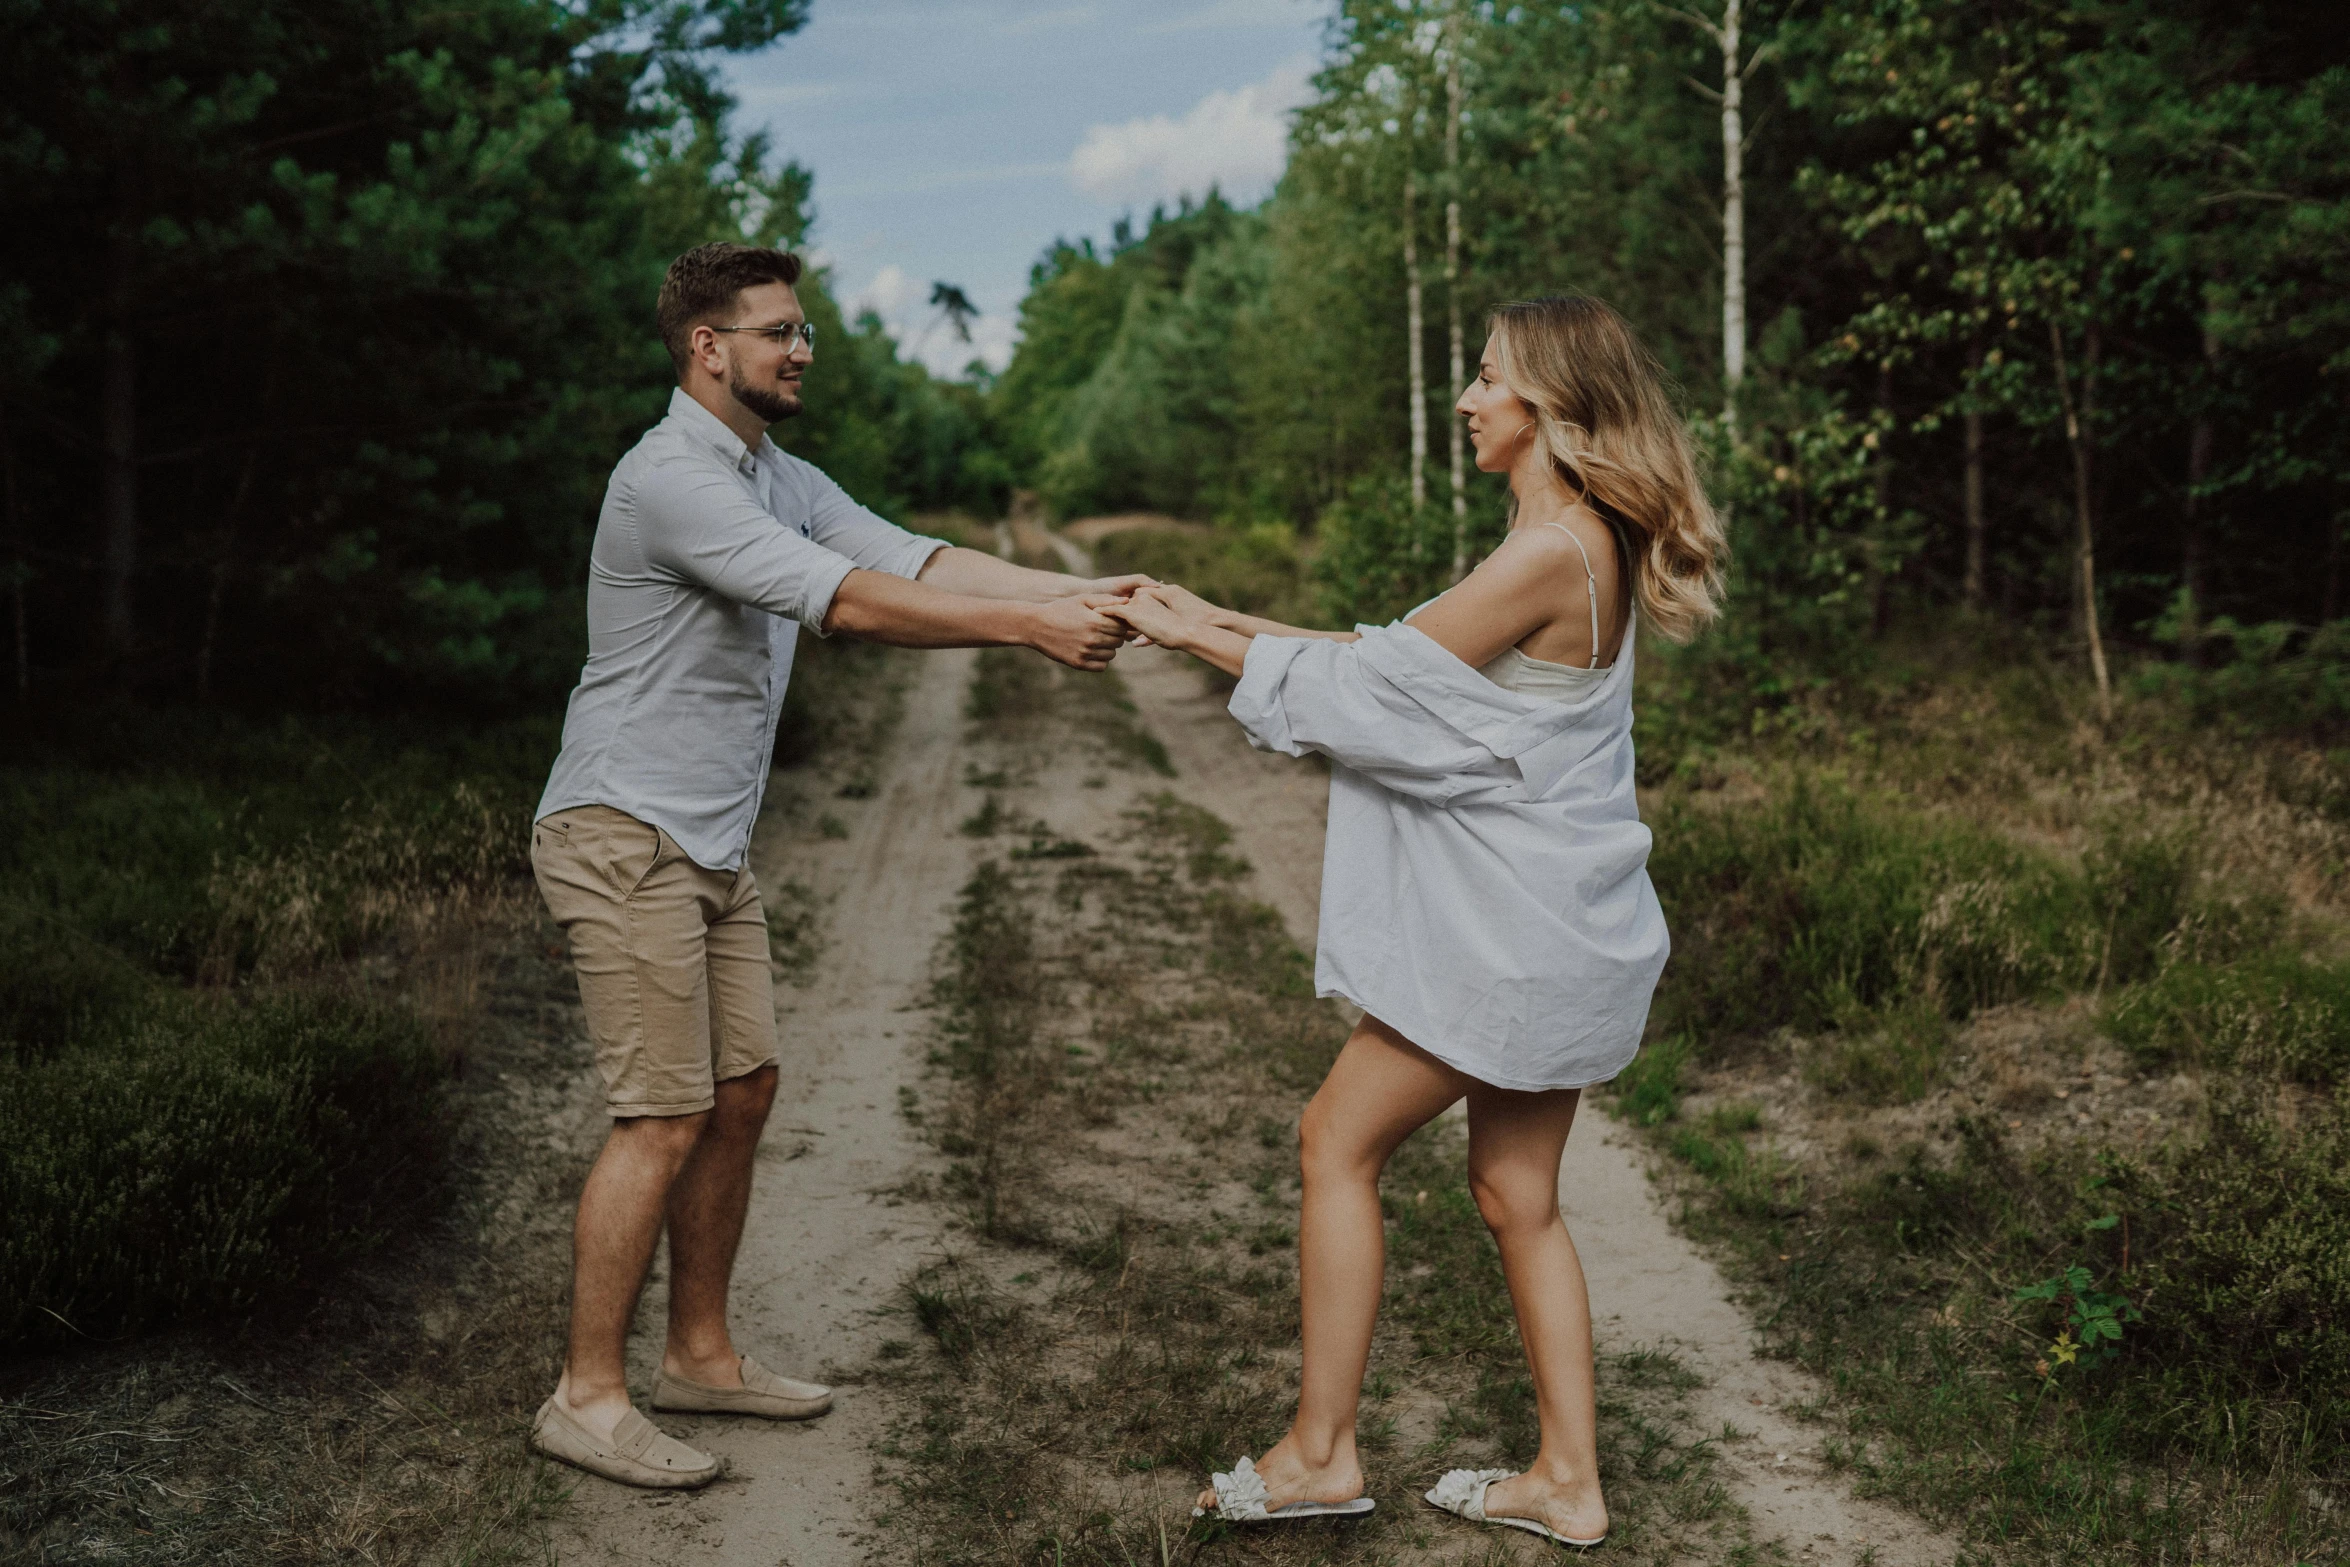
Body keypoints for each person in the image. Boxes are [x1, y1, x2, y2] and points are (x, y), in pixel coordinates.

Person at [526, 242, 1149, 1490]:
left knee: (740, 1092)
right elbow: (847, 603)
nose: (801, 348)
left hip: (706, 840)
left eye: (803, 329)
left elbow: (910, 555)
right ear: (709, 348)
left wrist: (1074, 584)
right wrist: (1029, 627)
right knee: (662, 1115)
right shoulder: (671, 482)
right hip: (622, 829)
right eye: (775, 331)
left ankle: (698, 1355)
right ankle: (584, 1398)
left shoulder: (774, 473)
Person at [1110, 294, 1724, 1547]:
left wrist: (1187, 632)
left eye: (1488, 378)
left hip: (1507, 944)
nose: (1467, 399)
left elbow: (1372, 686)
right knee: (1514, 1193)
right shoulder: (1573, 538)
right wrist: (1211, 619)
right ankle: (1568, 1478)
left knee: (1335, 1139)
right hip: (1557, 931)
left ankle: (1320, 1453)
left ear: (1550, 404)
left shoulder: (1548, 551)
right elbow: (1388, 657)